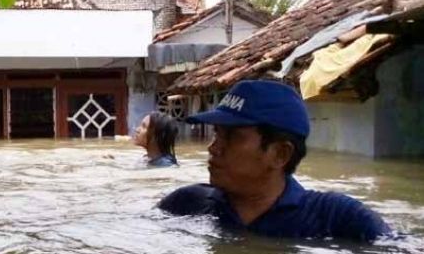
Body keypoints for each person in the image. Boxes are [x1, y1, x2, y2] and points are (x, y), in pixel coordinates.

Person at [158, 80, 392, 242]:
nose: (214, 147)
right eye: (217, 133)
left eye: (232, 136)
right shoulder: (186, 204)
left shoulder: (338, 219)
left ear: (280, 154)